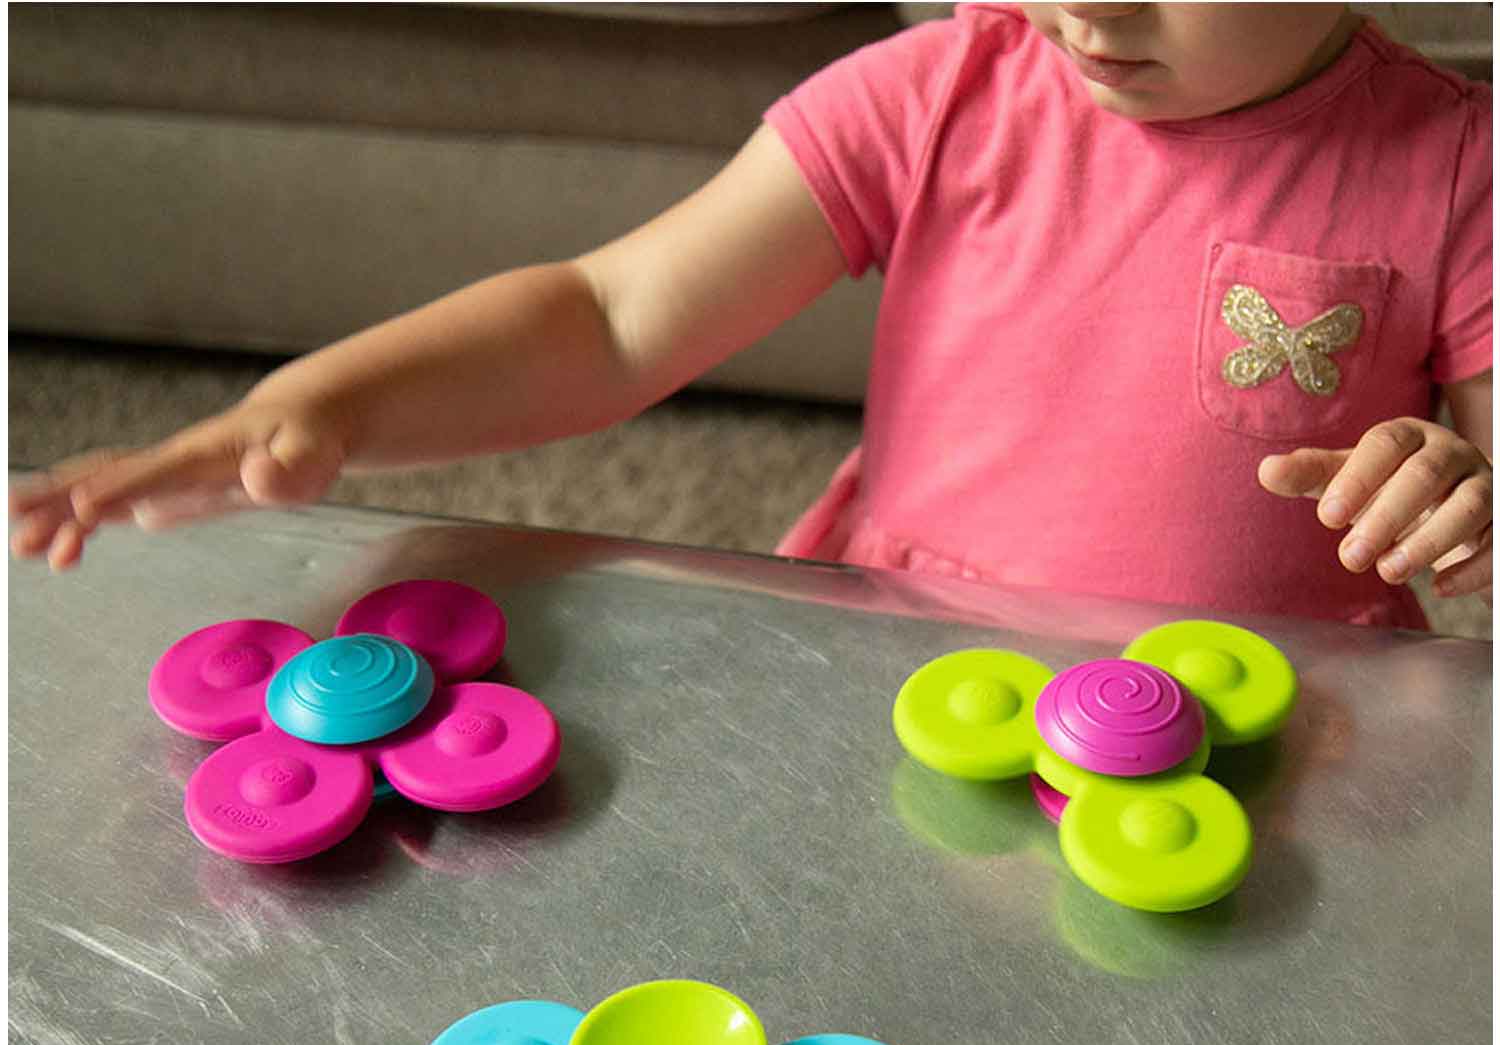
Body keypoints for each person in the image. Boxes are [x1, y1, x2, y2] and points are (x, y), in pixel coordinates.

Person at [10, 3, 1491, 628]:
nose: (1090, 7)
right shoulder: (944, 90)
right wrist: (321, 403)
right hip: (893, 668)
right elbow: (607, 316)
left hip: (1257, 741)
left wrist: (1465, 491)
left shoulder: (1462, 168)